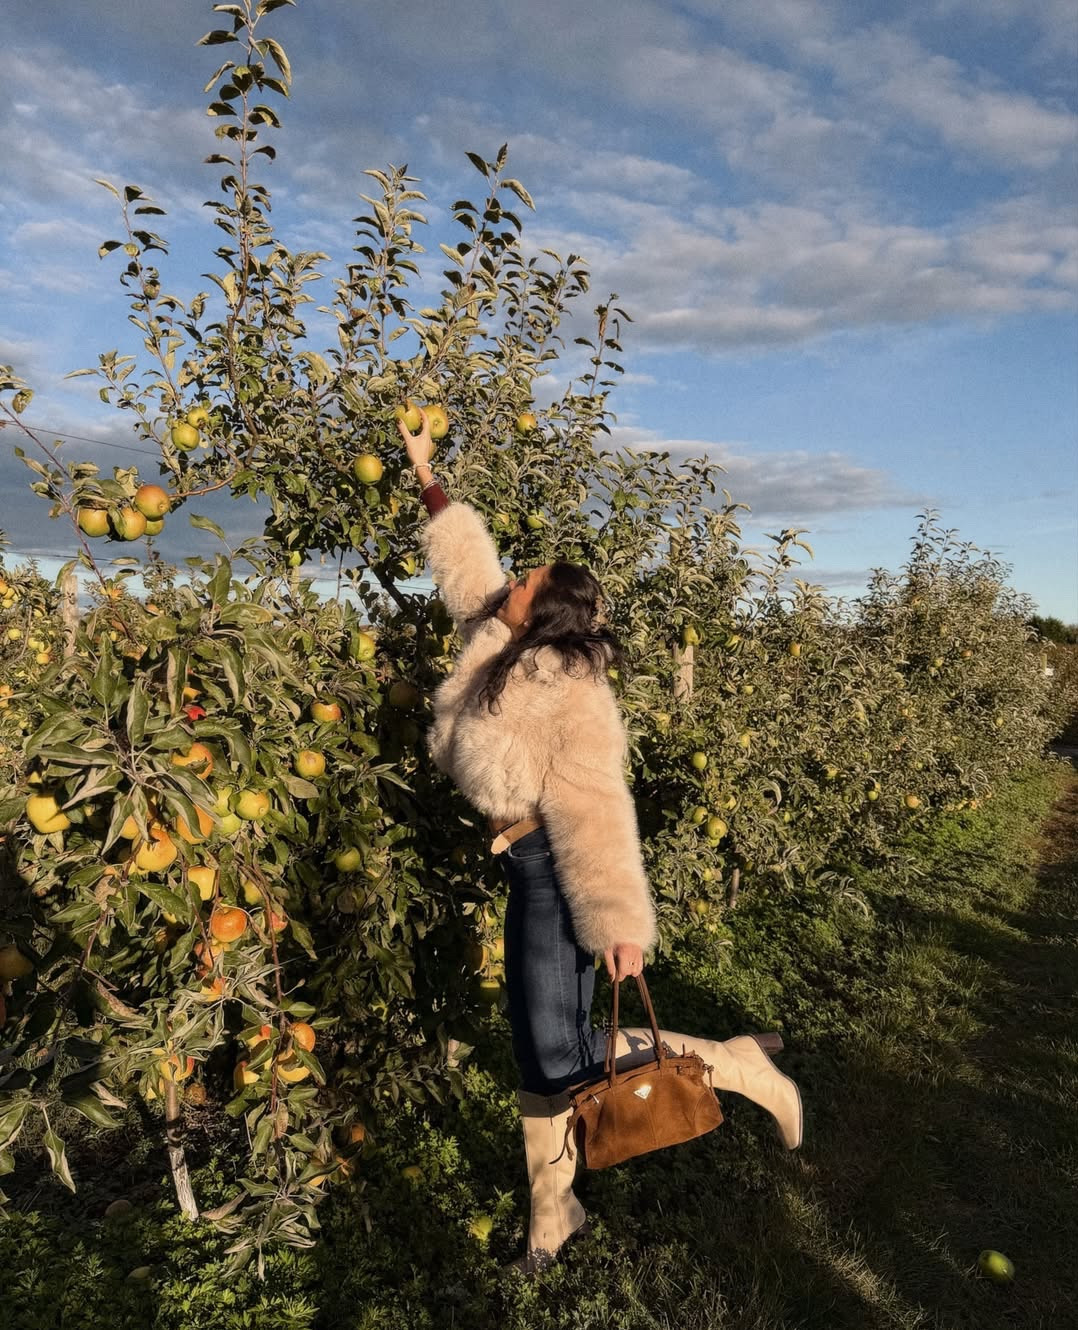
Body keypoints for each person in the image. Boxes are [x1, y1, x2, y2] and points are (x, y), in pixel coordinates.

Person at [400, 410, 803, 1278]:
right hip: (521, 864)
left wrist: (619, 919)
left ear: (544, 609)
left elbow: (596, 805)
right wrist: (426, 472)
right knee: (539, 1049)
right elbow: (466, 564)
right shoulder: (500, 637)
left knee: (559, 1050)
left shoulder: (569, 685)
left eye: (528, 577)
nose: (513, 578)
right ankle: (556, 1215)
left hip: (553, 869)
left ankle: (725, 1063)